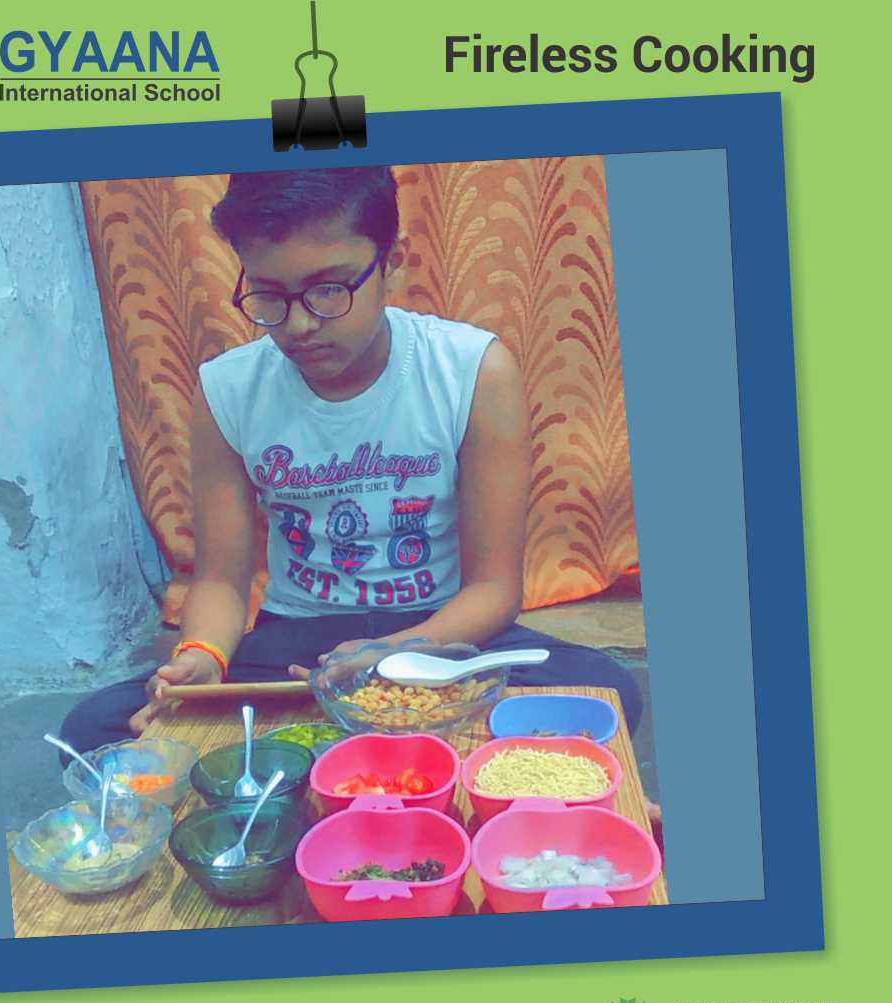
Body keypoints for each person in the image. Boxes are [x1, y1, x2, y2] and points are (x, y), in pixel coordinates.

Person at [60, 166, 642, 754]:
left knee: (605, 690)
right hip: (298, 641)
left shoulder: (471, 372)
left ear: (392, 263)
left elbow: (493, 588)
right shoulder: (228, 390)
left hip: (441, 630)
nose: (300, 324)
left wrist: (401, 650)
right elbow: (219, 581)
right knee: (96, 726)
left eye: (330, 289)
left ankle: (324, 752)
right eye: (269, 295)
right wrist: (202, 657)